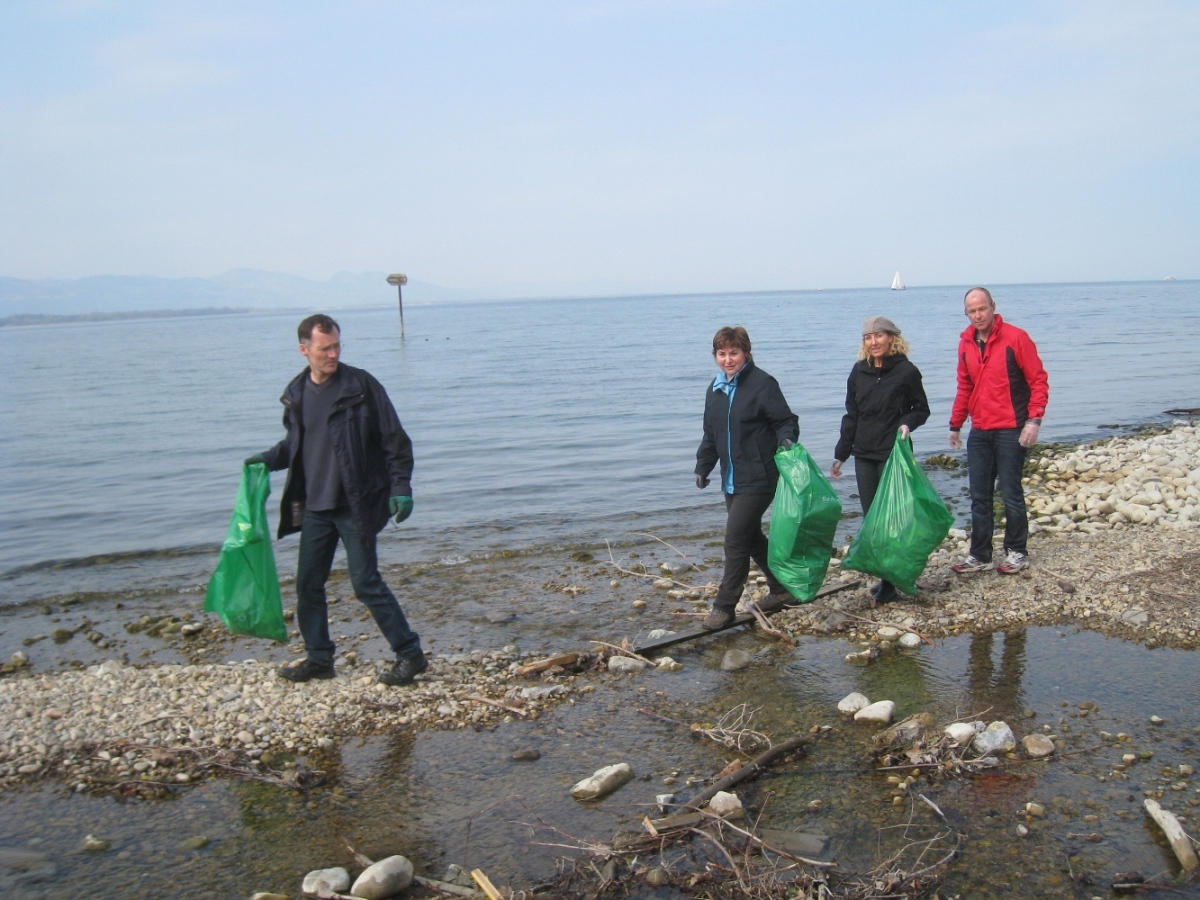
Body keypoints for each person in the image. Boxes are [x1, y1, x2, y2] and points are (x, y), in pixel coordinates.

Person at [245, 314, 428, 686]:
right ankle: (319, 659)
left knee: (365, 583)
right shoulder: (297, 393)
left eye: (337, 346)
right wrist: (268, 459)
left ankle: (410, 654)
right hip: (315, 507)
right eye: (324, 348)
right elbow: (297, 445)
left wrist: (401, 489)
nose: (333, 354)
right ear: (304, 350)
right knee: (307, 586)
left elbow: (395, 441)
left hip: (357, 504)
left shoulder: (361, 386)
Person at [695, 326, 800, 630]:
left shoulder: (762, 384)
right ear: (715, 355)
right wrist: (703, 466)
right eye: (722, 353)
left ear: (746, 353)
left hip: (760, 474)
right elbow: (711, 434)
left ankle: (724, 606)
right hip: (732, 477)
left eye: (734, 353)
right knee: (751, 537)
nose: (728, 359)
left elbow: (785, 421)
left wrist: (786, 440)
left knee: (735, 540)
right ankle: (782, 589)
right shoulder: (715, 389)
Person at [830, 316, 930, 605]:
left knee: (893, 519)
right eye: (868, 337)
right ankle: (886, 577)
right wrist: (840, 454)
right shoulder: (858, 371)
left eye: (879, 336)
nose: (873, 342)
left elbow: (921, 409)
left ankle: (890, 582)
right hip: (864, 454)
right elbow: (852, 415)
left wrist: (907, 423)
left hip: (894, 454)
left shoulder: (906, 371)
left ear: (891, 338)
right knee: (872, 519)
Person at [949, 287, 1049, 575]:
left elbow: (1038, 380)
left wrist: (1033, 420)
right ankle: (980, 555)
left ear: (993, 306)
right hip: (980, 429)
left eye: (982, 308)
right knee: (979, 495)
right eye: (972, 311)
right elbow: (965, 386)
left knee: (1010, 492)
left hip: (1011, 428)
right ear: (966, 313)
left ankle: (1017, 552)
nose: (978, 315)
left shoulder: (1016, 338)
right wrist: (956, 424)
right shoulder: (965, 344)